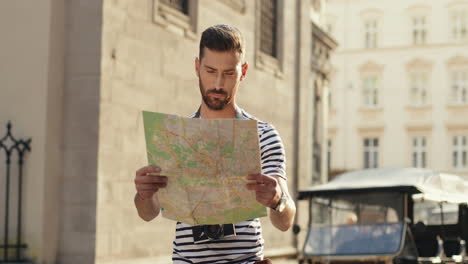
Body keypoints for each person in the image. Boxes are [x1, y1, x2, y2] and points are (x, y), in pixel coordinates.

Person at [133, 24, 296, 264]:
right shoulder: (175, 136)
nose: (218, 84)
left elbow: (285, 221)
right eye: (210, 71)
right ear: (197, 67)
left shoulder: (264, 134)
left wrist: (277, 200)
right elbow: (148, 213)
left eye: (229, 73)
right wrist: (143, 194)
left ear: (244, 71)